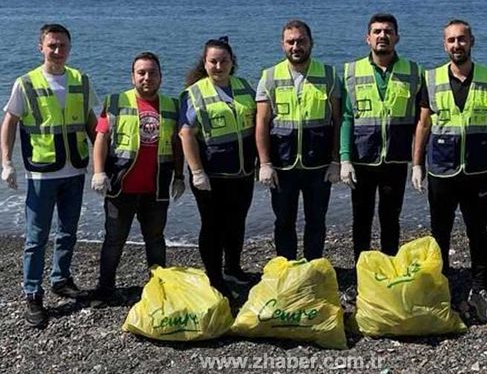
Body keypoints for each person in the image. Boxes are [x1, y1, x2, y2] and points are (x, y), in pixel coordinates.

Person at [0, 24, 100, 327]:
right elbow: (9, 122)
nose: (57, 51)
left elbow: (92, 123)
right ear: (41, 47)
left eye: (62, 45)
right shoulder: (26, 83)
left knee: (69, 231)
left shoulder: (81, 80)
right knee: (36, 237)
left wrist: (103, 164)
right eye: (52, 45)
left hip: (75, 169)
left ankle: (61, 279)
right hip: (42, 173)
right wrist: (6, 162)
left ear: (70, 47)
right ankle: (32, 292)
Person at [412, 19, 487, 323]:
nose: (457, 45)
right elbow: (424, 123)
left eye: (462, 39)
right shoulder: (431, 78)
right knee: (439, 231)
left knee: (478, 231)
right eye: (451, 40)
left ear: (472, 41)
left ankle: (480, 287)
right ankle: (440, 285)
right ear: (444, 45)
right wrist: (416, 165)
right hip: (441, 169)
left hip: (477, 170)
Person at [90, 52, 184, 306]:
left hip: (156, 189)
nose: (147, 77)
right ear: (132, 77)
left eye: (152, 72)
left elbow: (177, 144)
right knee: (114, 240)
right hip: (121, 187)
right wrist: (98, 172)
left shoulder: (172, 106)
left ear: (161, 77)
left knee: (155, 239)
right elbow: (101, 139)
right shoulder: (116, 102)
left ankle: (158, 286)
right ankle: (105, 288)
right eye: (141, 72)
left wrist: (179, 175)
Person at [256, 19, 342, 261]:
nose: (296, 46)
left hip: (319, 165)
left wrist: (336, 161)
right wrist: (264, 163)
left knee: (317, 220)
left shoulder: (328, 75)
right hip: (283, 166)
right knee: (284, 221)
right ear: (282, 45)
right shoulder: (269, 77)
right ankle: (288, 268)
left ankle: (314, 268)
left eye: (301, 41)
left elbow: (338, 120)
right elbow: (261, 123)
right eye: (290, 42)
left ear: (311, 43)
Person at [341, 13, 423, 260]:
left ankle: (388, 270)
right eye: (377, 31)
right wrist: (344, 159)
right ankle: (362, 272)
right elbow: (346, 117)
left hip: (395, 160)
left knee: (390, 220)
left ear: (397, 37)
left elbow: (422, 120)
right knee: (361, 221)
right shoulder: (351, 71)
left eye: (388, 31)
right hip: (362, 160)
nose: (382, 36)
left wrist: (418, 162)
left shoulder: (413, 71)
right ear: (368, 38)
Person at [179, 38, 256, 298]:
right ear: (205, 63)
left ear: (232, 62)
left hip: (243, 172)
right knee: (212, 226)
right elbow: (186, 134)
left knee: (237, 223)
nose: (219, 65)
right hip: (211, 177)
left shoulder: (245, 87)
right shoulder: (194, 93)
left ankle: (233, 268)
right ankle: (214, 277)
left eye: (224, 61)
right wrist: (197, 172)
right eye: (213, 61)